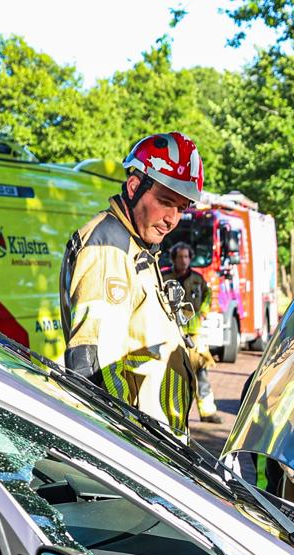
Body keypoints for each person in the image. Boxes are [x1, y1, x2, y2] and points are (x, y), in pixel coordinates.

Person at [60, 132, 205, 431]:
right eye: (165, 202)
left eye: (181, 207)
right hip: (136, 448)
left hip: (156, 444)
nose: (172, 219)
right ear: (134, 186)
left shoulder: (138, 247)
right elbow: (93, 364)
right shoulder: (110, 246)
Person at [163, 242, 221, 422]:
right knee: (171, 373)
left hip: (194, 333)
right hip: (170, 332)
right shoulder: (164, 277)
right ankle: (173, 413)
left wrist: (203, 312)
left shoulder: (197, 279)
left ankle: (207, 411)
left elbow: (208, 295)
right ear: (173, 258)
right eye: (180, 257)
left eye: (186, 257)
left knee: (201, 372)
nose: (183, 260)